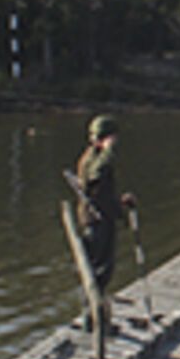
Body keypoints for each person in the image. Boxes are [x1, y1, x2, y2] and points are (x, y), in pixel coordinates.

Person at [75, 114, 137, 291]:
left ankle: (100, 306)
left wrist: (121, 202)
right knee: (97, 268)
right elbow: (97, 175)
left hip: (105, 216)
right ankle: (92, 312)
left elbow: (101, 191)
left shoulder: (97, 157)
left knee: (105, 268)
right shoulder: (92, 159)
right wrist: (108, 150)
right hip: (95, 220)